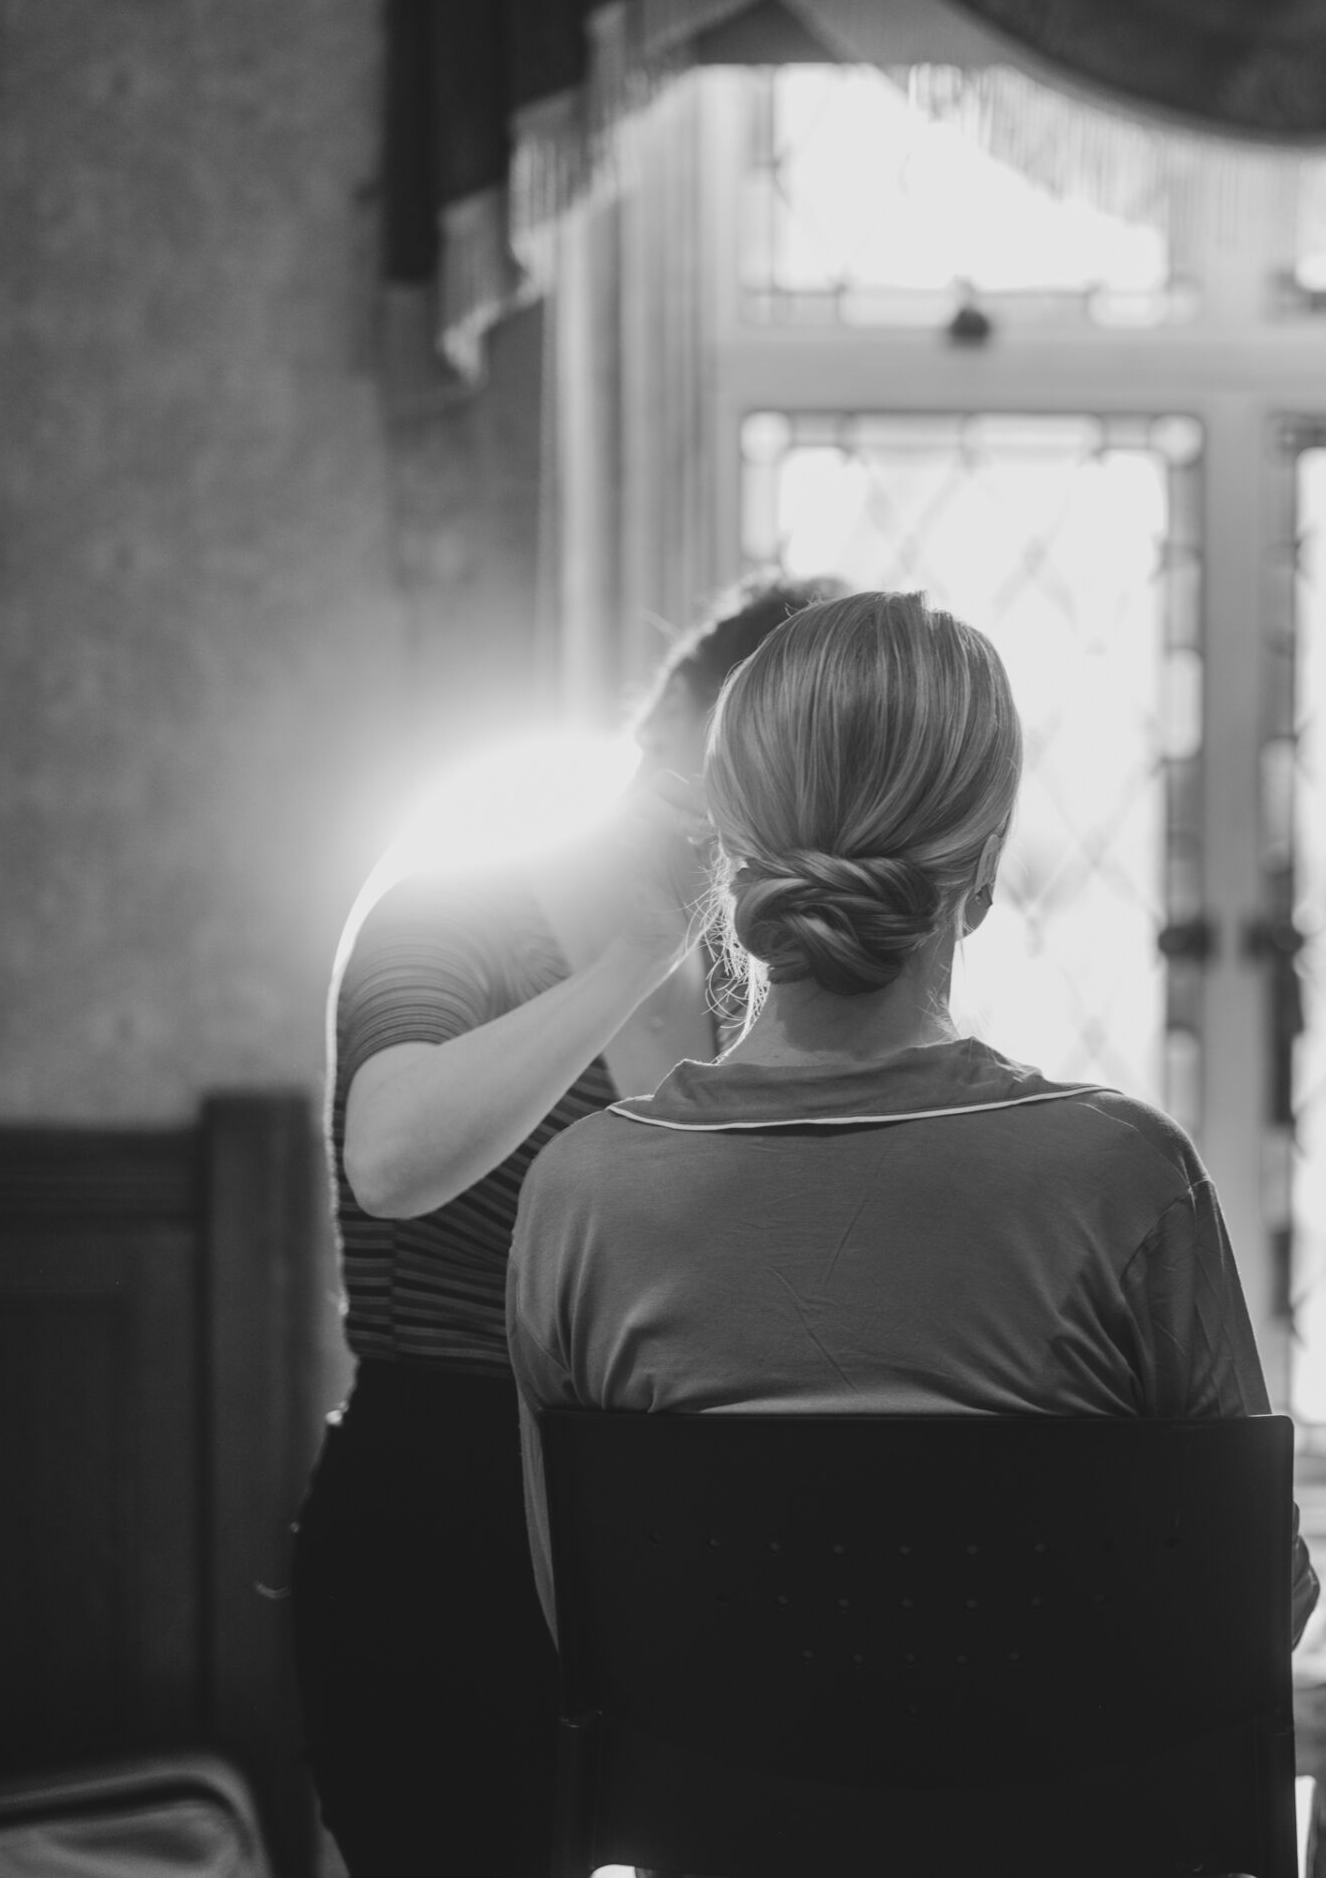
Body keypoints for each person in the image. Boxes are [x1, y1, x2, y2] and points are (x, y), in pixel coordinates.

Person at [507, 588, 1318, 1642]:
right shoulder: (1120, 1176)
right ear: (979, 873)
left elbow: (580, 1623)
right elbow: (1255, 1606)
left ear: (729, 851)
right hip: (1049, 1808)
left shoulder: (584, 1194)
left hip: (711, 1813)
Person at [290, 575, 833, 1877]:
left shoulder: (750, 981)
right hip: (446, 1516)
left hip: (664, 1532)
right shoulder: (456, 911)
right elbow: (396, 1157)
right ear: (665, 739)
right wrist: (625, 964)